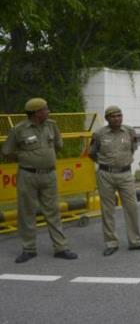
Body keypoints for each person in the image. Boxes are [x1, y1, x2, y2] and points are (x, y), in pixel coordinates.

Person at [1, 98, 78, 263]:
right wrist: (25, 156)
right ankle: (29, 249)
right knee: (27, 212)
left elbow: (59, 145)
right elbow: (6, 151)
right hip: (27, 175)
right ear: (36, 113)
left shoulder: (52, 125)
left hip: (49, 175)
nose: (48, 111)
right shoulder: (19, 130)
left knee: (53, 211)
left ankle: (60, 247)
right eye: (45, 109)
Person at [89, 106, 140, 256]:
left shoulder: (130, 131)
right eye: (113, 116)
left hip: (125, 175)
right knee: (107, 210)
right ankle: (111, 242)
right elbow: (92, 153)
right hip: (106, 174)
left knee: (132, 207)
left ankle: (135, 241)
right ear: (107, 118)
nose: (117, 118)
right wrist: (106, 163)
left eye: (119, 115)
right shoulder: (99, 134)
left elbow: (133, 149)